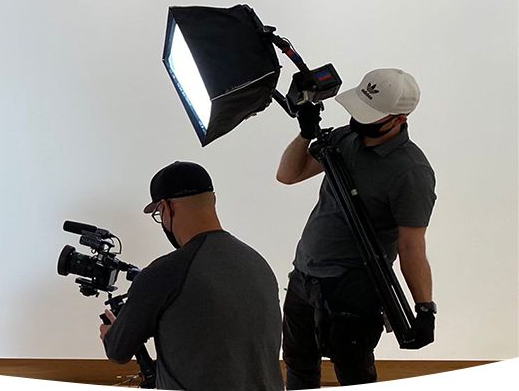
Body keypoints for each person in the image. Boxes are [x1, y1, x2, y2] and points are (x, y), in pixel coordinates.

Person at [276, 68, 437, 388]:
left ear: (399, 119)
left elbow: (411, 246)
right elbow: (288, 175)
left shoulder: (411, 172)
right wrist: (305, 133)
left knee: (354, 375)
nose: (359, 120)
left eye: (371, 115)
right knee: (298, 363)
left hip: (353, 289)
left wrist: (424, 309)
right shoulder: (344, 139)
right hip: (304, 275)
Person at [101, 161, 282, 390]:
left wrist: (111, 334)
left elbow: (118, 351)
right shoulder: (258, 263)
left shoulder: (165, 272)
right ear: (213, 200)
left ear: (166, 208)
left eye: (158, 213)